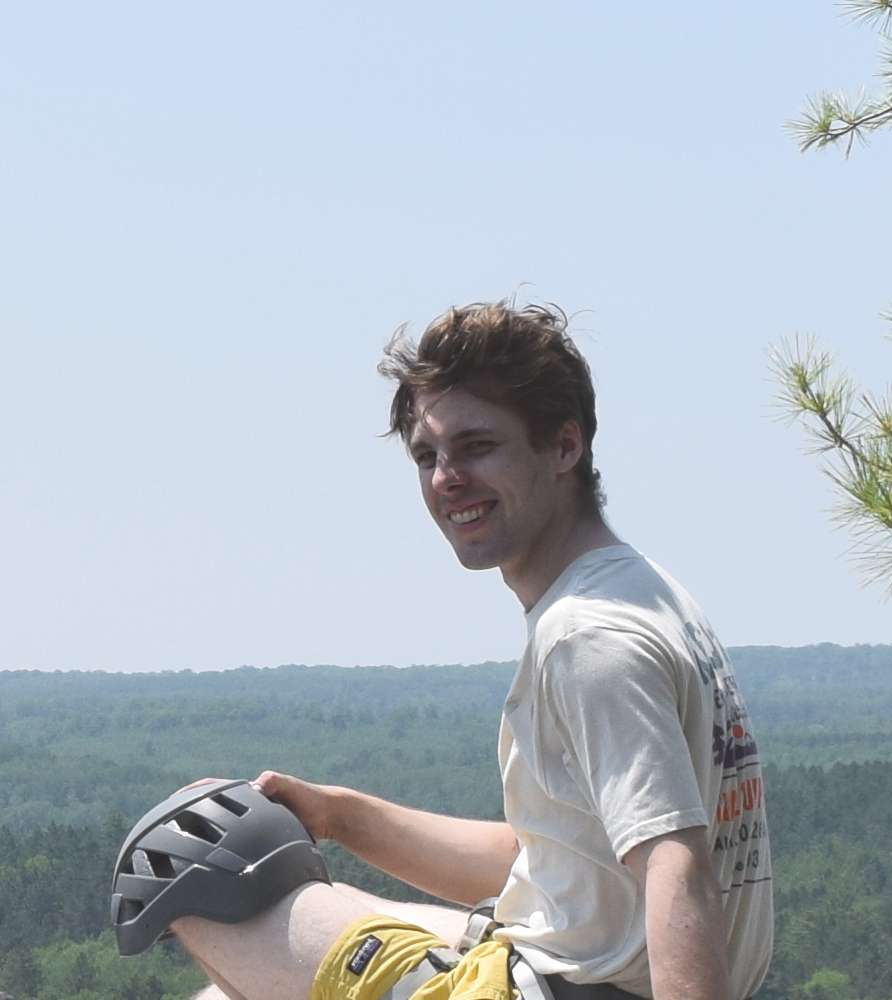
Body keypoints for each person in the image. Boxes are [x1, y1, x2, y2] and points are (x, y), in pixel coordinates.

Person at [173, 300, 773, 1000]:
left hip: (557, 992)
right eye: (428, 455)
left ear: (564, 447)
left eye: (478, 447)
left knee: (188, 848)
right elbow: (550, 861)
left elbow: (676, 864)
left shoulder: (587, 636)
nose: (446, 478)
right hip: (563, 966)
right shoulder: (645, 591)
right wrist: (337, 815)